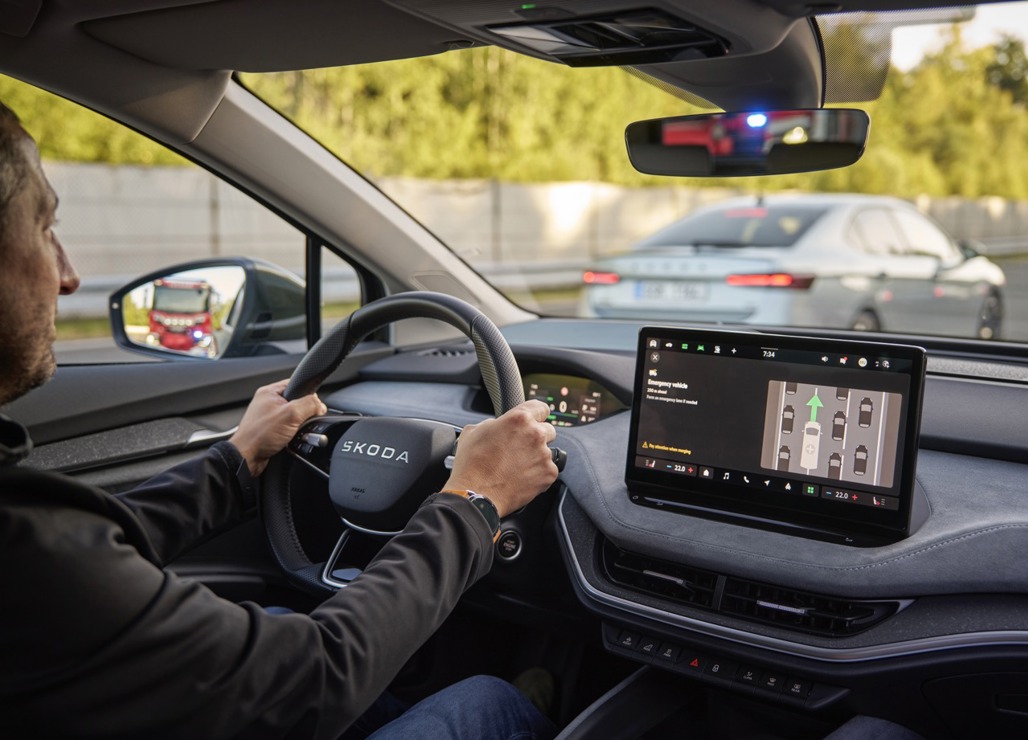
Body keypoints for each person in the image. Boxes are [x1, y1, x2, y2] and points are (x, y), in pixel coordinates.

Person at [0, 101, 559, 738]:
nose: (68, 276)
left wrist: (236, 461)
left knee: (272, 619)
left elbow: (87, 548)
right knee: (488, 704)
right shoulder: (25, 551)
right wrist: (473, 500)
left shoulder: (32, 540)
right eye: (44, 228)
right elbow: (318, 677)